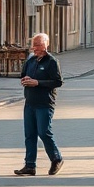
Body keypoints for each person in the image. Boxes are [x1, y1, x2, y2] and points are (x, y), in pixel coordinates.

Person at [13, 33, 64, 176]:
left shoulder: (51, 61)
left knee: (44, 132)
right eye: (33, 45)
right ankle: (30, 165)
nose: (34, 48)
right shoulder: (31, 60)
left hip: (45, 103)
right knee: (30, 134)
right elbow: (23, 75)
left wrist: (38, 83)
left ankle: (56, 158)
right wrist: (25, 79)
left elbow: (58, 82)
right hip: (30, 102)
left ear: (46, 45)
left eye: (38, 45)